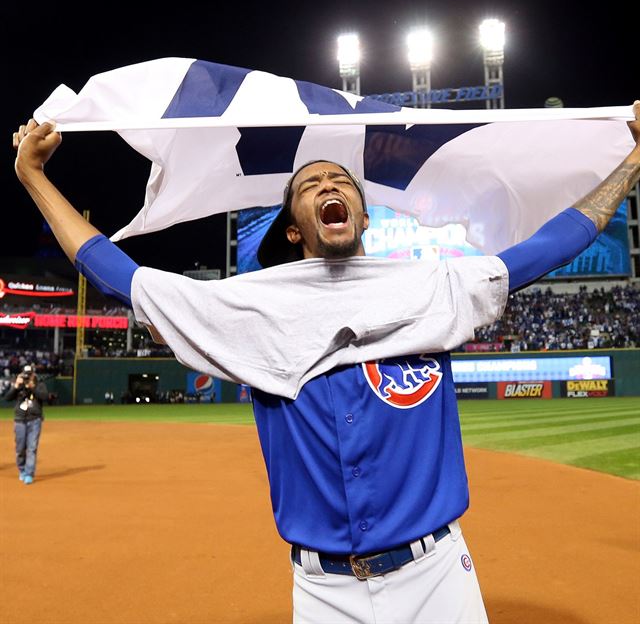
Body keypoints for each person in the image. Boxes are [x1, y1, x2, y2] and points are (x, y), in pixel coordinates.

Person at [12, 103, 640, 623]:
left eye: (341, 183)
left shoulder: (431, 286)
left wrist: (634, 158)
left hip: (439, 575)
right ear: (294, 228)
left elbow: (552, 246)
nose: (329, 188)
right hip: (323, 593)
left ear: (364, 214)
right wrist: (35, 177)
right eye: (311, 185)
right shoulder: (246, 307)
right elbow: (120, 275)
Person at [3, 364, 48, 485]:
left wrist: (32, 387)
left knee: (32, 448)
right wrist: (16, 386)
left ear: (33, 374)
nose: (27, 377)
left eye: (29, 375)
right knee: (20, 449)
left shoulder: (40, 384)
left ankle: (29, 473)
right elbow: (7, 398)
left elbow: (44, 396)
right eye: (25, 375)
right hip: (20, 421)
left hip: (35, 420)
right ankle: (22, 470)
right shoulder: (18, 386)